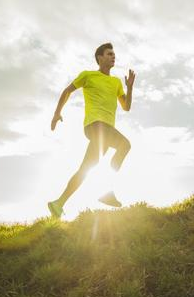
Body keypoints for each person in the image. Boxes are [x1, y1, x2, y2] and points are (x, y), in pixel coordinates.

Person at [47, 42, 135, 218]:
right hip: (95, 125)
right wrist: (57, 113)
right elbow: (67, 91)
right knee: (125, 145)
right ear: (99, 58)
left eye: (113, 54)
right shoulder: (88, 75)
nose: (113, 56)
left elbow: (126, 107)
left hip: (106, 130)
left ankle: (58, 204)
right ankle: (107, 191)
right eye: (109, 54)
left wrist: (130, 87)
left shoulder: (116, 82)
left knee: (86, 168)